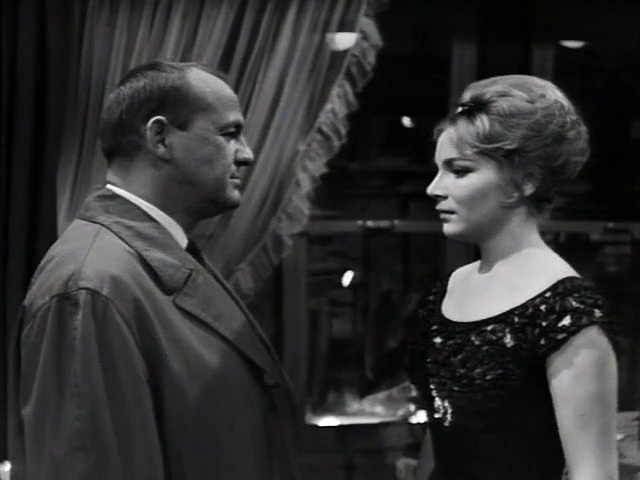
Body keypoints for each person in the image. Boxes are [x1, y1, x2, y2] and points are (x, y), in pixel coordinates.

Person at [8, 61, 300, 480]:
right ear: (160, 138)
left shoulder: (144, 262)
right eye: (229, 134)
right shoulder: (92, 285)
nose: (247, 154)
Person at [404, 75, 619, 479]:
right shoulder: (449, 289)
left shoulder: (565, 313)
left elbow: (594, 474)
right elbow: (443, 434)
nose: (434, 188)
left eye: (459, 171)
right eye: (438, 170)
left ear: (525, 181)